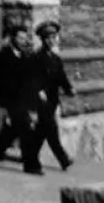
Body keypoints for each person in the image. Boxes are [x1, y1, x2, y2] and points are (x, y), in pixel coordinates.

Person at [0, 19, 44, 175]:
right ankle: (31, 164)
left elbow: (29, 80)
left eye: (25, 39)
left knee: (10, 132)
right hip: (12, 99)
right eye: (20, 38)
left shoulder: (25, 56)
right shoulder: (3, 56)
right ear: (12, 38)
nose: (23, 41)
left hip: (23, 100)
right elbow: (2, 81)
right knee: (26, 131)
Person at [30, 22, 76, 171]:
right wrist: (38, 91)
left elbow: (61, 77)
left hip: (52, 99)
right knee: (50, 130)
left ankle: (31, 156)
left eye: (53, 37)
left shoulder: (55, 58)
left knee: (43, 132)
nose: (51, 40)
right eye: (48, 38)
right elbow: (32, 78)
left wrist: (69, 89)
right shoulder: (37, 57)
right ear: (43, 40)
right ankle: (63, 159)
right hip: (42, 100)